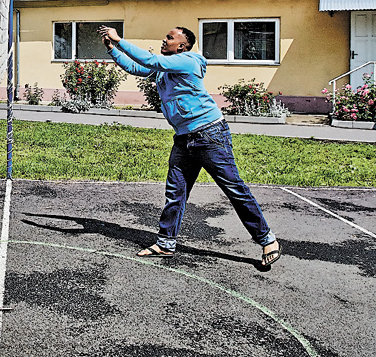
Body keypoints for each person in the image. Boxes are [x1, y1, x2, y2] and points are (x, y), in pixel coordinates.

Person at [98, 25, 280, 268]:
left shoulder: (189, 61)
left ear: (182, 45)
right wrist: (113, 49)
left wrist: (120, 40)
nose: (165, 40)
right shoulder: (165, 68)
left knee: (234, 189)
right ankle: (165, 243)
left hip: (209, 134)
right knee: (175, 192)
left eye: (170, 38)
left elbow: (150, 59)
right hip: (184, 138)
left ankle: (267, 240)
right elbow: (137, 68)